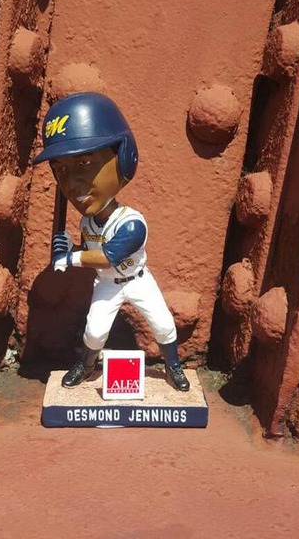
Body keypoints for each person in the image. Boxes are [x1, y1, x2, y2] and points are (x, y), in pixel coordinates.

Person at [33, 92, 190, 391]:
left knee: (162, 323)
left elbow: (106, 257)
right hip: (106, 283)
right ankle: (86, 365)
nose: (72, 183)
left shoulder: (132, 223)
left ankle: (173, 366)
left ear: (124, 159)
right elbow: (90, 251)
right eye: (61, 170)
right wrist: (68, 248)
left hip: (137, 280)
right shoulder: (87, 222)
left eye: (85, 163)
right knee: (94, 332)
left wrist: (70, 258)